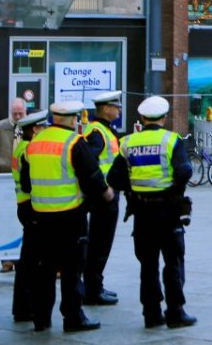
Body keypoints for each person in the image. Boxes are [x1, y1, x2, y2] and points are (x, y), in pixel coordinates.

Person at [23, 100, 113, 333]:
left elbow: (25, 181)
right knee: (72, 271)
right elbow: (91, 175)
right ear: (74, 119)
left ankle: (41, 319)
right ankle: (73, 317)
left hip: (41, 218)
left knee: (45, 271)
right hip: (70, 217)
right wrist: (106, 193)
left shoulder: (34, 143)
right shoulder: (74, 142)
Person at [108, 96, 195, 329]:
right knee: (173, 262)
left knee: (148, 265)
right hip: (168, 210)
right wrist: (174, 191)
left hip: (142, 212)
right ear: (164, 118)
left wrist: (134, 188)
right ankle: (175, 312)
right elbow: (185, 171)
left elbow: (113, 178)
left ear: (142, 118)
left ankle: (151, 314)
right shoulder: (171, 140)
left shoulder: (127, 142)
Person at [81, 91, 123, 305]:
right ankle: (93, 289)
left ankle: (94, 286)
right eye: (116, 105)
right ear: (106, 109)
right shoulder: (97, 132)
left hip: (105, 193)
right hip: (103, 196)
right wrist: (103, 188)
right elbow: (89, 163)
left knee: (99, 242)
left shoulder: (103, 130)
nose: (119, 108)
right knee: (100, 243)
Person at [10, 108, 48, 323]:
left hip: (22, 205)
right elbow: (28, 182)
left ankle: (23, 307)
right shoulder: (29, 150)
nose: (45, 130)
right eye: (43, 127)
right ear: (34, 129)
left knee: (28, 260)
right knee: (32, 261)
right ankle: (26, 308)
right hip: (31, 207)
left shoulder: (20, 148)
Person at [0, 97, 27, 274]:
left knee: (22, 219)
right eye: (15, 113)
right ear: (10, 112)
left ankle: (20, 258)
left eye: (21, 113)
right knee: (5, 219)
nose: (18, 116)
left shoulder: (29, 128)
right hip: (4, 179)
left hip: (23, 181)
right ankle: (6, 260)